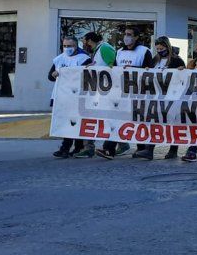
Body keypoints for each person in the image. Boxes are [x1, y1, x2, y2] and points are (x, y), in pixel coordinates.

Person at [96, 26, 153, 160]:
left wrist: (133, 69)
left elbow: (150, 71)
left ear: (136, 37)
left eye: (130, 34)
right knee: (116, 120)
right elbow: (115, 69)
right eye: (125, 34)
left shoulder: (144, 51)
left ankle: (142, 149)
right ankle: (108, 149)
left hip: (139, 93)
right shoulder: (120, 51)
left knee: (139, 122)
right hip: (121, 93)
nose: (126, 37)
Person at [133, 37, 185, 161]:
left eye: (162, 48)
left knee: (172, 123)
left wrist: (181, 71)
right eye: (158, 49)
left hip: (171, 96)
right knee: (154, 122)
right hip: (156, 96)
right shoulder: (155, 60)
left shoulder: (177, 61)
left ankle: (173, 150)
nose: (160, 51)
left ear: (167, 47)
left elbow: (184, 78)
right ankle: (149, 150)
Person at [74, 32, 117, 158]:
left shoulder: (105, 48)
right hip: (99, 91)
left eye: (84, 41)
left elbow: (112, 67)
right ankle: (90, 147)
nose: (84, 44)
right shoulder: (98, 50)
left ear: (90, 40)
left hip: (106, 92)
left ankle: (112, 147)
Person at [51, 36, 92, 158]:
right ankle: (68, 147)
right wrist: (54, 74)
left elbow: (88, 76)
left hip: (77, 96)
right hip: (62, 95)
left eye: (70, 46)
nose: (67, 48)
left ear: (76, 46)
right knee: (66, 121)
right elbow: (50, 76)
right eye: (65, 46)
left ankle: (74, 147)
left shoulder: (84, 58)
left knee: (76, 122)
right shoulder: (59, 59)